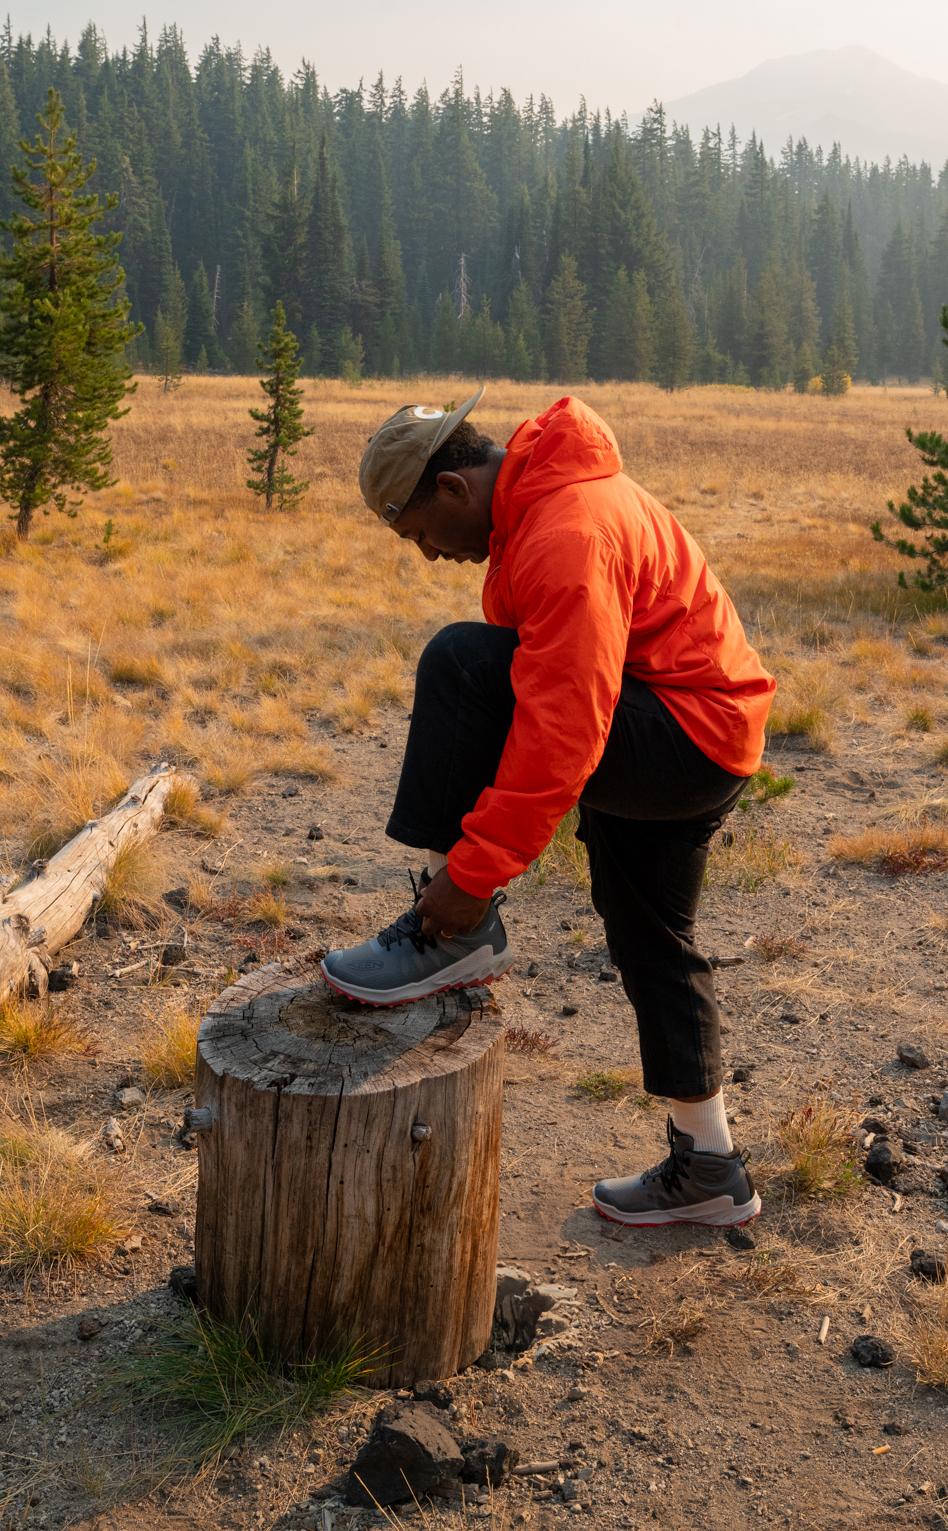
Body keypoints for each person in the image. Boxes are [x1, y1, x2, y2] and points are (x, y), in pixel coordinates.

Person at [321, 387, 776, 1228]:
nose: (429, 556)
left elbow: (564, 731)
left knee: (462, 661)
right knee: (651, 938)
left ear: (453, 490)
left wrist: (470, 877)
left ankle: (443, 930)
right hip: (701, 731)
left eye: (420, 534)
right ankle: (712, 1165)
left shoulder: (566, 533)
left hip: (682, 733)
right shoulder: (551, 506)